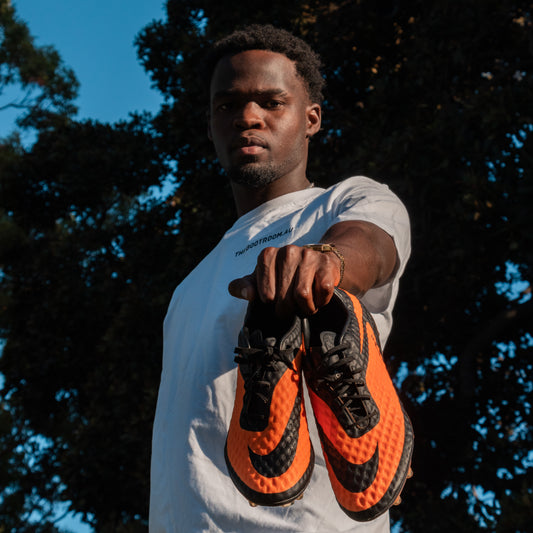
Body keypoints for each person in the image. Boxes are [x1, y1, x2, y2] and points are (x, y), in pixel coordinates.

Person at [149, 24, 411, 533]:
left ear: (311, 118)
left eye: (271, 102)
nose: (248, 117)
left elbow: (372, 246)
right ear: (210, 125)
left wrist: (328, 261)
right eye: (228, 105)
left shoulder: (345, 201)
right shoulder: (188, 289)